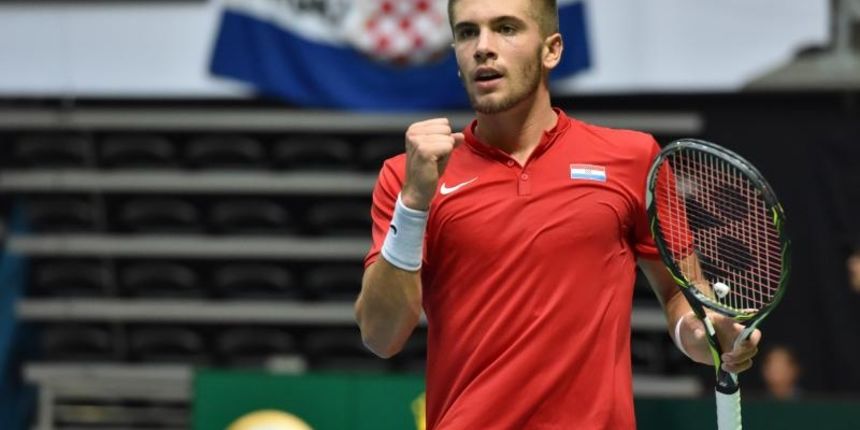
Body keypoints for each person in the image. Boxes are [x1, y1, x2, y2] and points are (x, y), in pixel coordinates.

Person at [354, 0, 762, 428]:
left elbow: (682, 295)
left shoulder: (633, 158)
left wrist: (701, 335)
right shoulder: (407, 177)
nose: (483, 48)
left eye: (506, 28)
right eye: (468, 33)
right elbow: (380, 337)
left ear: (552, 50)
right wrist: (415, 201)